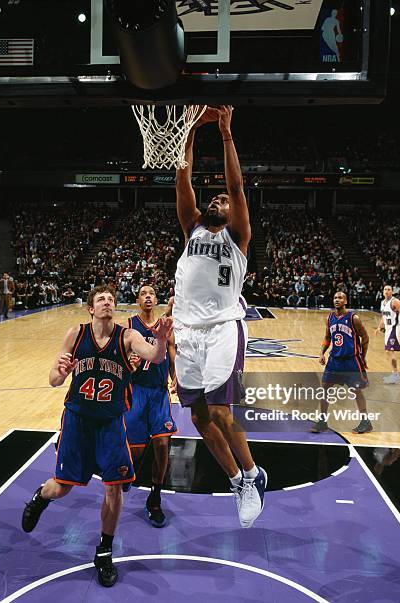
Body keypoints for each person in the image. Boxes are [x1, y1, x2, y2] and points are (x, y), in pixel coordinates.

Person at [21, 285, 173, 588]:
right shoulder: (75, 335)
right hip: (77, 421)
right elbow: (53, 379)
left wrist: (162, 337)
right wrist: (61, 374)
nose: (107, 302)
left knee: (115, 488)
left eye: (111, 300)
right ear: (91, 308)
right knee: (61, 488)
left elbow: (156, 357)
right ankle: (41, 497)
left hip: (111, 423)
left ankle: (104, 551)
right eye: (101, 299)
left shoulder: (127, 336)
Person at [174, 105, 266, 529]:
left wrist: (226, 133)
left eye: (224, 201)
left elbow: (237, 185)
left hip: (223, 328)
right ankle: (237, 480)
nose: (219, 199)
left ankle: (251, 476)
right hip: (186, 331)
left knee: (223, 411)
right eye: (216, 198)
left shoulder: (239, 238)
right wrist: (190, 130)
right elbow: (183, 175)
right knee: (198, 418)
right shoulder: (192, 227)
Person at [124, 285, 177, 528]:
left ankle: (155, 497)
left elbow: (172, 350)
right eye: (143, 293)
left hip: (158, 392)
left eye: (151, 293)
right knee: (134, 451)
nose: (148, 296)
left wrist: (177, 374)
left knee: (162, 443)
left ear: (156, 300)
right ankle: (127, 472)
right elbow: (121, 356)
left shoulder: (165, 325)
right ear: (138, 300)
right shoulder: (129, 325)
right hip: (135, 392)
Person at [311, 291, 372, 434]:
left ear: (346, 301)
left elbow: (365, 337)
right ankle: (322, 421)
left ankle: (365, 421)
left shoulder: (353, 318)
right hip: (334, 361)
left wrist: (363, 357)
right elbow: (327, 337)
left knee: (356, 391)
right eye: (335, 298)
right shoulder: (330, 317)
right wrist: (322, 353)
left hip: (351, 361)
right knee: (325, 389)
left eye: (340, 298)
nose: (337, 300)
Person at [374, 285, 400, 384]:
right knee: (388, 351)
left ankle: (395, 375)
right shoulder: (383, 302)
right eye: (385, 289)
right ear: (382, 291)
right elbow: (383, 316)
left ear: (392, 292)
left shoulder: (395, 301)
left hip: (396, 328)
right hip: (388, 329)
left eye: (389, 289)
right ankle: (394, 374)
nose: (386, 291)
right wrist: (379, 327)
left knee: (390, 351)